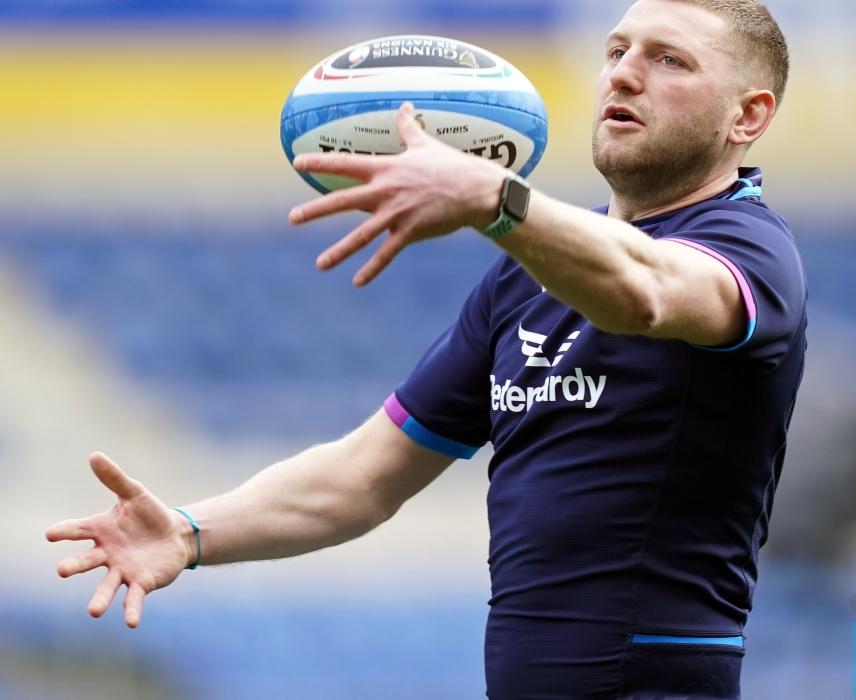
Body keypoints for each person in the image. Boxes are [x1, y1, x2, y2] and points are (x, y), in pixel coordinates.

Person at [46, 0, 806, 697]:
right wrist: (190, 531)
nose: (624, 74)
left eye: (670, 60)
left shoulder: (751, 249)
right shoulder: (525, 278)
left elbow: (645, 292)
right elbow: (363, 477)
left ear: (747, 116)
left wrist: (495, 199)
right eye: (616, 51)